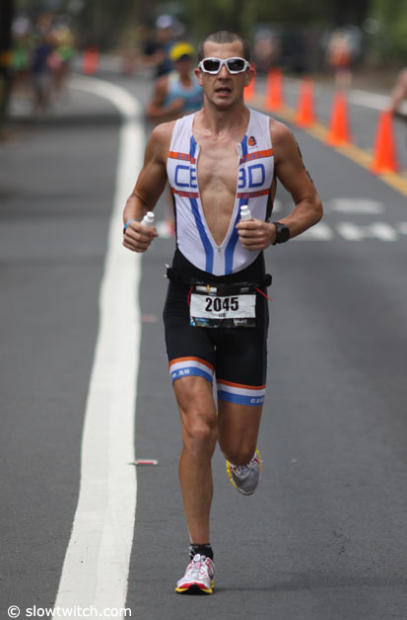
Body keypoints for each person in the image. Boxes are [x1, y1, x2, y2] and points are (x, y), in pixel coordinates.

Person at [122, 29, 323, 594]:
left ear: (248, 75)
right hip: (186, 296)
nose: (223, 76)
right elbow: (139, 197)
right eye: (213, 66)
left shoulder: (274, 137)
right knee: (198, 427)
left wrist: (279, 230)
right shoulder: (168, 137)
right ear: (198, 76)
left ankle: (243, 456)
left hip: (246, 299)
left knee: (234, 446)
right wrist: (132, 225)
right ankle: (200, 556)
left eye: (235, 66)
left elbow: (311, 204)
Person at [146, 42, 203, 123]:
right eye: (180, 61)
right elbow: (150, 114)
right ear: (174, 63)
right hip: (174, 128)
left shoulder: (202, 81)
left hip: (198, 128)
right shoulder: (164, 84)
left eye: (187, 60)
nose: (184, 64)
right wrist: (168, 110)